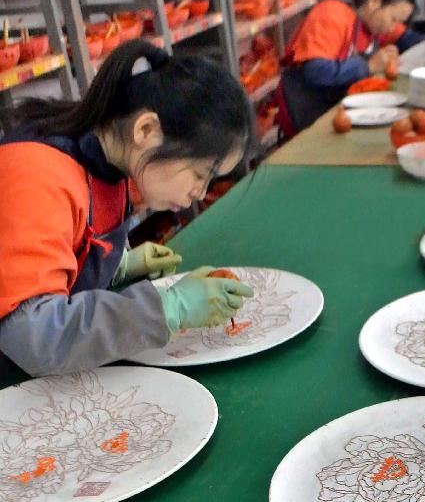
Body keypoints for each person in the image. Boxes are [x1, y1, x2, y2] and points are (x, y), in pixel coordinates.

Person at [0, 39, 255, 378]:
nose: (200, 193)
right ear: (146, 130)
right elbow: (35, 338)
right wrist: (168, 308)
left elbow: (60, 249)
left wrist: (119, 264)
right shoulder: (37, 175)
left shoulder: (115, 163)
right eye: (200, 174)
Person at [276, 0, 425, 139]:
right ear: (375, 1)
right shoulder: (332, 14)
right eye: (394, 19)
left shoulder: (373, 22)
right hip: (304, 112)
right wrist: (368, 66)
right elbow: (315, 71)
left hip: (334, 109)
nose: (394, 26)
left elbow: (407, 38)